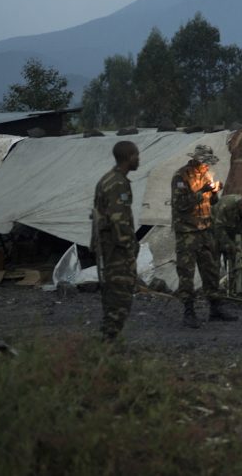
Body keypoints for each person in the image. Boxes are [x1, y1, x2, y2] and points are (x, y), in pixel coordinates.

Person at [172, 144, 236, 327]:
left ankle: (215, 307)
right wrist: (203, 192)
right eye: (204, 163)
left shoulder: (207, 175)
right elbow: (181, 204)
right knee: (186, 273)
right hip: (187, 232)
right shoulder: (181, 176)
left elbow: (212, 202)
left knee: (211, 270)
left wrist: (214, 192)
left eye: (208, 163)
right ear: (197, 161)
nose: (207, 166)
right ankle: (188, 311)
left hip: (205, 230)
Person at [91, 140, 140, 341]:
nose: (139, 159)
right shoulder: (118, 183)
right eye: (137, 155)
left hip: (108, 247)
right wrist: (130, 247)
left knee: (113, 296)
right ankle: (107, 341)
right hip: (116, 250)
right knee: (120, 297)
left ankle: (108, 340)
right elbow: (118, 219)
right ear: (129, 157)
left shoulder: (107, 179)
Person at [213, 194, 242, 295]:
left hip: (231, 229)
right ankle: (213, 289)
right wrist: (229, 244)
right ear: (241, 205)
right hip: (214, 229)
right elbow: (218, 227)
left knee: (234, 257)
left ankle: (233, 288)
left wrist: (239, 247)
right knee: (215, 258)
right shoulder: (227, 204)